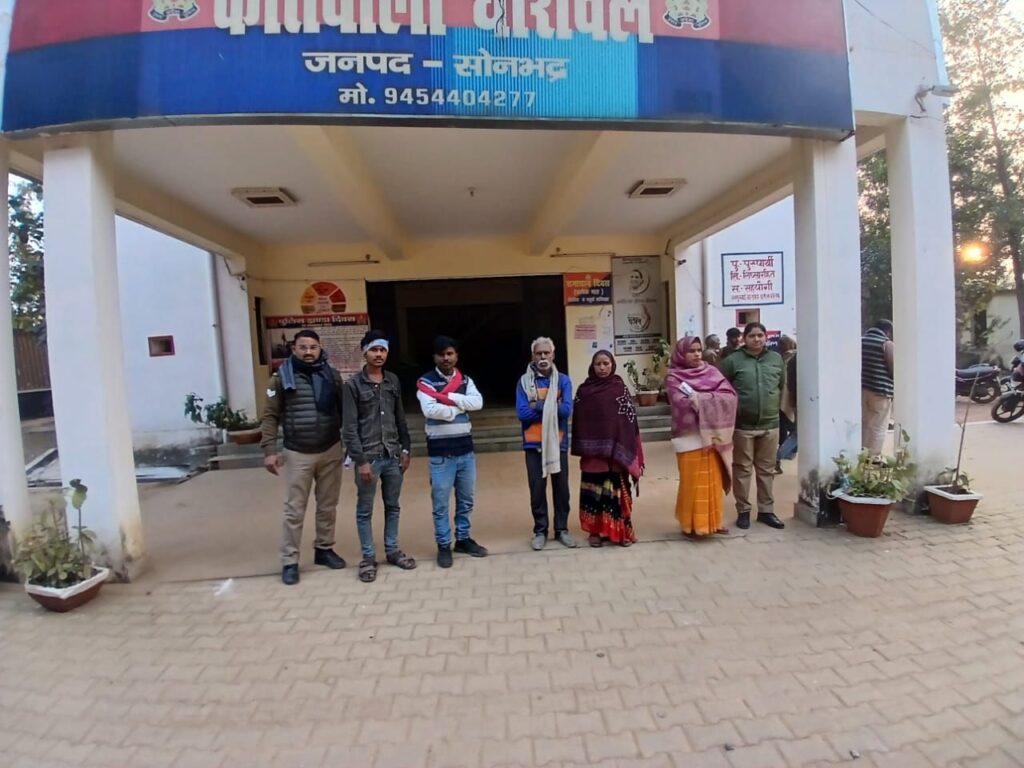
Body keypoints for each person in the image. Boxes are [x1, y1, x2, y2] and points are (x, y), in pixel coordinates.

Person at [260, 329, 347, 586]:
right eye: (303, 347)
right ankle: (290, 561)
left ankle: (324, 549)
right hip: (298, 452)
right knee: (294, 510)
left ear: (320, 348)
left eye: (313, 347)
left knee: (328, 505)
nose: (308, 352)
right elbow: (270, 416)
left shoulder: (332, 375)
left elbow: (344, 411)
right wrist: (269, 450)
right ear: (293, 349)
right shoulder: (280, 378)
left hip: (330, 448)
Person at [342, 330, 415, 583]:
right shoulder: (352, 385)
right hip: (368, 458)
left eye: (383, 350)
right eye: (374, 349)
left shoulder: (392, 381)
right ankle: (368, 557)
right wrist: (361, 461)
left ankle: (392, 550)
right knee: (365, 510)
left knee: (393, 506)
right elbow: (349, 428)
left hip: (392, 454)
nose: (379, 354)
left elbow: (400, 417)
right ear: (364, 352)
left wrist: (405, 449)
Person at [417, 335, 488, 568]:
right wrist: (459, 408)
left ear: (456, 356)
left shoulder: (465, 380)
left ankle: (463, 539)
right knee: (440, 503)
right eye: (441, 354)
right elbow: (430, 410)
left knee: (466, 500)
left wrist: (449, 398)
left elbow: (477, 403)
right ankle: (443, 545)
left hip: (465, 452)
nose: (446, 358)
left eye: (450, 353)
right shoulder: (426, 383)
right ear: (434, 357)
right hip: (440, 455)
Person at [665, 336, 738, 538]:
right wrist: (709, 399)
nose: (697, 354)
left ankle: (714, 522)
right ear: (682, 354)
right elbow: (681, 403)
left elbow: (730, 396)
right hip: (689, 437)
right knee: (693, 483)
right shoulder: (673, 377)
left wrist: (701, 398)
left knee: (713, 482)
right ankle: (691, 525)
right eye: (692, 351)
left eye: (699, 350)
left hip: (713, 435)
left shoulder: (712, 371)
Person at [570, 350, 644, 548]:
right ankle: (595, 532)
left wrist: (625, 447)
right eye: (598, 364)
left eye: (606, 363)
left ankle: (621, 532)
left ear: (612, 364)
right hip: (594, 458)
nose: (602, 368)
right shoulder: (584, 392)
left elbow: (629, 422)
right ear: (592, 366)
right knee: (594, 495)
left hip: (616, 457)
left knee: (617, 494)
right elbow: (579, 422)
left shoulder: (620, 389)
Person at [719, 322, 786, 530]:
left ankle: (766, 511)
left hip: (770, 424)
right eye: (752, 336)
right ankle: (743, 511)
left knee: (767, 470)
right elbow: (722, 389)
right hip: (743, 426)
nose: (756, 339)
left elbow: (781, 386)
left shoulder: (776, 359)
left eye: (760, 335)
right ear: (744, 338)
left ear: (766, 337)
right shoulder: (732, 361)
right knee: (742, 469)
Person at [517, 336, 577, 551]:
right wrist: (551, 406)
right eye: (538, 353)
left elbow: (566, 410)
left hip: (557, 444)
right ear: (533, 356)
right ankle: (540, 531)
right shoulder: (524, 382)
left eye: (546, 353)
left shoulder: (563, 381)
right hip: (533, 445)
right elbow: (522, 414)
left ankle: (562, 530)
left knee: (561, 490)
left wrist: (537, 405)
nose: (542, 356)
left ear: (553, 355)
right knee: (537, 491)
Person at [862, 320, 895, 455]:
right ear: (887, 331)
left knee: (864, 424)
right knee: (878, 427)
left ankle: (861, 454)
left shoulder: (861, 341)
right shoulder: (886, 344)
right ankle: (873, 457)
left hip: (862, 389)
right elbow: (894, 369)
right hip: (880, 392)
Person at [775, 335, 798, 473]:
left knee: (793, 431)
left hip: (790, 399)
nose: (780, 347)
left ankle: (782, 455)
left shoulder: (787, 358)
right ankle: (778, 457)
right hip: (796, 400)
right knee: (797, 433)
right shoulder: (793, 358)